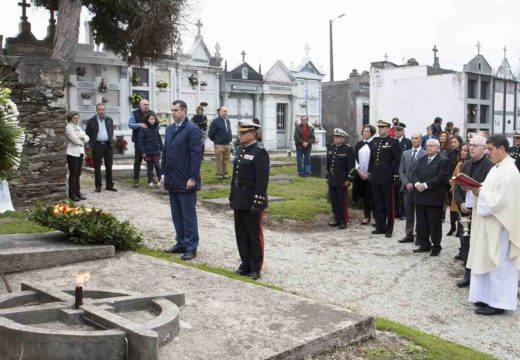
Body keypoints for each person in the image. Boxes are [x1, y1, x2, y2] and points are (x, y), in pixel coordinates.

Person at [466, 134, 520, 315]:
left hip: (501, 226)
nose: (488, 153)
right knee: (486, 258)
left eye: (490, 149)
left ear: (502, 149)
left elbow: (501, 201)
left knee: (499, 261)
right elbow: (487, 189)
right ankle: (486, 297)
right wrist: (476, 189)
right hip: (489, 223)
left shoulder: (511, 172)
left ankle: (499, 302)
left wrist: (479, 191)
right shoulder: (497, 168)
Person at [161, 100, 202, 261]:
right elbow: (166, 153)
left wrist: (192, 177)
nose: (173, 113)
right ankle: (181, 242)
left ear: (184, 111)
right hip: (172, 179)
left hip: (186, 180)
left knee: (188, 215)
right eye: (171, 110)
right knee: (177, 215)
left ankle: (191, 247)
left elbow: (196, 156)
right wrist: (163, 174)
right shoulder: (170, 129)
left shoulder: (192, 130)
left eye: (176, 110)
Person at [230, 121, 270, 280]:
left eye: (244, 133)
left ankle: (255, 267)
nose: (241, 136)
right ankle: (245, 264)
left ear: (253, 134)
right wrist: (232, 194)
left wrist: (258, 200)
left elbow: (262, 179)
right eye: (240, 133)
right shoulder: (240, 150)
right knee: (241, 233)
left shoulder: (259, 152)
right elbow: (235, 176)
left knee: (254, 234)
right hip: (240, 197)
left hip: (252, 198)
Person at [453, 135, 494, 288]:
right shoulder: (465, 165)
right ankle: (467, 274)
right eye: (470, 145)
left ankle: (478, 277)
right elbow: (457, 187)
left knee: (478, 244)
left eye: (475, 145)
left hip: (480, 210)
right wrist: (461, 202)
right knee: (465, 242)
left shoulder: (490, 167)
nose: (471, 148)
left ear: (484, 149)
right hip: (465, 209)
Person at [411, 139, 451, 256]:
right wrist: (417, 183)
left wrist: (426, 185)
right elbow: (413, 173)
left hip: (434, 197)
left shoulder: (443, 160)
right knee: (421, 223)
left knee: (434, 224)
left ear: (438, 148)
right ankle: (424, 244)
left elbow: (441, 177)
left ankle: (436, 246)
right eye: (427, 146)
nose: (428, 148)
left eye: (432, 146)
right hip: (420, 195)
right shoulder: (421, 159)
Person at [368, 120, 402, 238]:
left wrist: (395, 175)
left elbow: (396, 160)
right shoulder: (375, 141)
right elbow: (371, 159)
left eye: (383, 127)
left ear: (388, 129)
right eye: (379, 127)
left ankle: (389, 229)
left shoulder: (393, 142)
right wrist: (370, 172)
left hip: (387, 176)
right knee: (377, 202)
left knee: (389, 204)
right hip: (376, 175)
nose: (380, 129)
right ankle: (380, 227)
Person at [398, 132, 425, 243]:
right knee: (408, 212)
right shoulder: (405, 153)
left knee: (419, 213)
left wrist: (415, 184)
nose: (414, 140)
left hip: (418, 188)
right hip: (407, 188)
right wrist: (406, 182)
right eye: (413, 138)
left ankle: (419, 235)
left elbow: (424, 172)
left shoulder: (425, 154)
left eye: (416, 138)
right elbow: (401, 170)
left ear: (421, 140)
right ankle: (409, 234)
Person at [326, 128, 355, 229]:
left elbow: (351, 166)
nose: (335, 138)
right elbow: (328, 164)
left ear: (343, 138)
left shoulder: (348, 149)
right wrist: (328, 176)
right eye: (335, 136)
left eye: (338, 137)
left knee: (342, 201)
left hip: (342, 180)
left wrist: (349, 179)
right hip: (332, 179)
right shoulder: (331, 147)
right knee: (334, 200)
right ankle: (336, 218)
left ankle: (343, 221)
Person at [85, 103, 117, 193]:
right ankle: (98, 186)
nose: (101, 111)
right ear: (96, 110)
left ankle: (109, 185)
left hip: (108, 145)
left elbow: (111, 131)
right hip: (97, 145)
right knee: (97, 166)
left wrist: (112, 141)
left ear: (105, 110)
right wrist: (90, 145)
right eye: (99, 109)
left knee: (109, 166)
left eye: (103, 109)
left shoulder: (109, 119)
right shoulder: (91, 121)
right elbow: (87, 134)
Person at [353, 125, 376, 225]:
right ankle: (367, 216)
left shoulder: (375, 144)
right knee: (364, 196)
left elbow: (376, 159)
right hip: (360, 174)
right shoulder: (358, 144)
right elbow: (354, 158)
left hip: (372, 174)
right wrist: (359, 172)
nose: (364, 133)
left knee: (374, 196)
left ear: (371, 133)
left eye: (367, 131)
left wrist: (369, 172)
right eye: (363, 131)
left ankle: (376, 217)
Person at [65, 111, 89, 201]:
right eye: (75, 118)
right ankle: (72, 193)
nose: (77, 120)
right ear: (70, 119)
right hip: (72, 153)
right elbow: (75, 140)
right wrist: (82, 139)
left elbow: (87, 137)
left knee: (78, 174)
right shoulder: (69, 127)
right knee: (73, 173)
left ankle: (78, 192)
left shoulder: (78, 127)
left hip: (80, 152)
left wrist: (82, 138)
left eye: (78, 118)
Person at [128, 99, 152, 187]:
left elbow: (156, 123)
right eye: (145, 104)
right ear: (140, 105)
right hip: (138, 141)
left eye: (148, 104)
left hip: (149, 141)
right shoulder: (134, 113)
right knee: (138, 161)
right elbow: (130, 124)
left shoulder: (151, 113)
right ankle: (136, 180)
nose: (147, 106)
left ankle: (150, 179)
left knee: (151, 161)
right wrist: (139, 125)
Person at [138, 112, 163, 188]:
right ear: (147, 119)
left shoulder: (156, 128)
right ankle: (150, 182)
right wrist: (143, 151)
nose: (153, 120)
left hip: (156, 150)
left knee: (157, 166)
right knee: (149, 167)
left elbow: (159, 138)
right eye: (151, 119)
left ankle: (160, 180)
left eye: (154, 119)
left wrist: (161, 147)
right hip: (148, 151)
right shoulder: (143, 129)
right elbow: (140, 141)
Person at [449, 142, 468, 238]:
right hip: (455, 190)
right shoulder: (459, 163)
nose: (462, 152)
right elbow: (454, 175)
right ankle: (453, 228)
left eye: (465, 151)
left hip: (464, 192)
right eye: (462, 150)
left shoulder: (467, 165)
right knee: (454, 211)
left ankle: (460, 230)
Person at [394, 121, 412, 219]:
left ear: (403, 131)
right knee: (395, 192)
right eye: (396, 130)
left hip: (404, 170)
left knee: (402, 192)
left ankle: (403, 213)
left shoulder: (408, 142)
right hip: (394, 169)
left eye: (399, 130)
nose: (397, 132)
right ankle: (396, 211)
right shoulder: (392, 141)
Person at [446, 135, 464, 236]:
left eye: (455, 142)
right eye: (452, 142)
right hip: (450, 181)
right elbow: (447, 167)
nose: (453, 144)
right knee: (452, 206)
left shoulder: (461, 154)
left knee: (458, 205)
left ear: (459, 143)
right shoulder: (450, 153)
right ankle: (452, 226)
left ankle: (459, 227)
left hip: (459, 182)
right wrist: (448, 179)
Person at [208, 106, 232, 179]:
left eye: (226, 111)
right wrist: (216, 140)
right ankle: (219, 174)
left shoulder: (228, 121)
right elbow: (211, 133)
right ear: (220, 112)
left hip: (227, 144)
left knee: (226, 160)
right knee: (219, 160)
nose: (225, 113)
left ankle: (225, 173)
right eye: (224, 111)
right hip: (219, 144)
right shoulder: (216, 121)